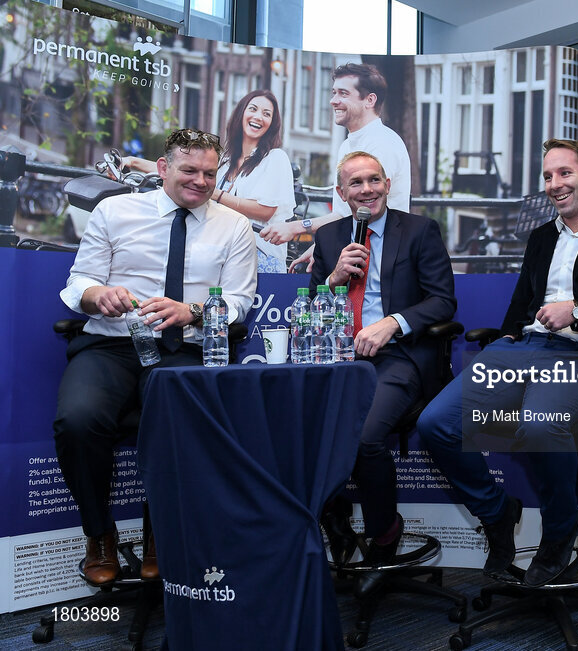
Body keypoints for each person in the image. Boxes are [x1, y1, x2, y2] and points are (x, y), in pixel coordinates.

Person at [417, 139, 578, 587]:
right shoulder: (542, 237)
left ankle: (561, 528)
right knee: (435, 423)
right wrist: (508, 335)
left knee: (539, 423)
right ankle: (495, 511)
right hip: (521, 349)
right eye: (548, 176)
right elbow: (522, 304)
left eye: (564, 173)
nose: (554, 184)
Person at [53, 128, 258, 586]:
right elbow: (78, 280)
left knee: (175, 418)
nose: (201, 182)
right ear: (163, 169)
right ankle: (99, 536)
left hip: (184, 345)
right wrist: (96, 295)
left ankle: (160, 535)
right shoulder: (115, 210)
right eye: (190, 170)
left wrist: (195, 310)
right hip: (111, 342)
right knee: (78, 420)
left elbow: (241, 301)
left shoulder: (235, 226)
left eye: (209, 173)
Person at [309, 151, 454, 588]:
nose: (366, 189)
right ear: (341, 193)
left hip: (400, 357)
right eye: (356, 183)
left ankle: (384, 532)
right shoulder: (332, 235)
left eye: (374, 180)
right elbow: (314, 303)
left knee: (367, 437)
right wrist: (332, 279)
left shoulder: (420, 230)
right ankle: (331, 514)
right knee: (303, 427)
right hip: (339, 357)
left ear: (388, 185)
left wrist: (392, 324)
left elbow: (443, 301)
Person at [121, 90, 295, 272]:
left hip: (257, 259)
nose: (258, 117)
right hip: (222, 254)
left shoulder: (275, 158)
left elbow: (265, 210)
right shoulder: (226, 160)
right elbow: (176, 170)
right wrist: (132, 162)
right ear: (241, 113)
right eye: (253, 109)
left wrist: (213, 192)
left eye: (267, 114)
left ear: (272, 124)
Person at [261, 63, 412, 272]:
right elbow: (342, 214)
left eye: (343, 93)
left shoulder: (381, 144)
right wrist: (318, 246)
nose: (333, 101)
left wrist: (295, 227)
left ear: (370, 100)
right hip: (358, 252)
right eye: (333, 93)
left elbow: (365, 211)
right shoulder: (348, 145)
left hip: (380, 258)